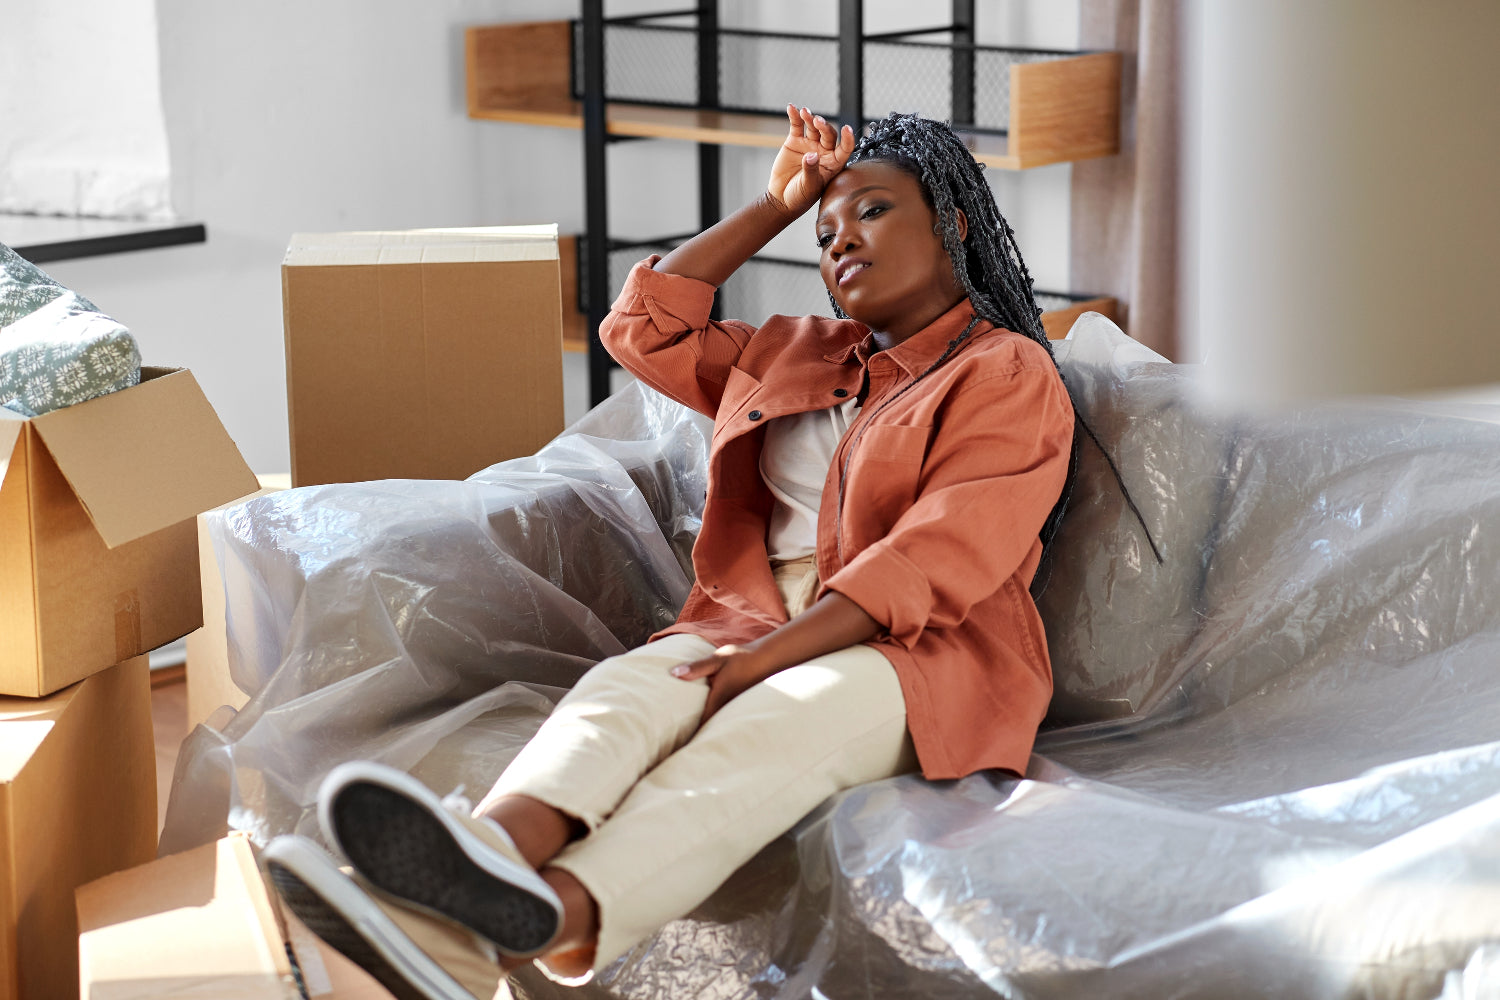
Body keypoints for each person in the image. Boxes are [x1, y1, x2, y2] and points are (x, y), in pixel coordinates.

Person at [263, 106, 1076, 1000]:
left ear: (952, 224)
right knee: (622, 694)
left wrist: (760, 665)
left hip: (916, 652)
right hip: (747, 618)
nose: (841, 241)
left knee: (764, 730)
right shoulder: (793, 352)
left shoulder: (1004, 370)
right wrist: (773, 207)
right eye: (823, 233)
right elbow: (643, 328)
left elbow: (933, 556)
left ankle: (535, 922)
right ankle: (484, 866)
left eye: (872, 212)